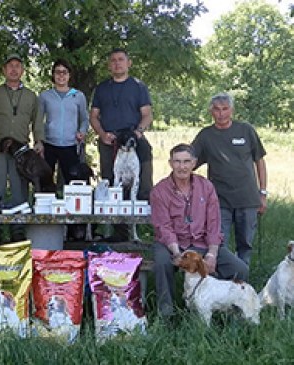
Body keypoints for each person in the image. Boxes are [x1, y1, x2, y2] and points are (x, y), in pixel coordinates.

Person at [151, 143, 249, 319]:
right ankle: (166, 315)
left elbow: (214, 223)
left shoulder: (206, 187)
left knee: (239, 268)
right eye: (177, 162)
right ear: (170, 163)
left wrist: (212, 254)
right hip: (171, 243)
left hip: (201, 243)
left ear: (194, 163)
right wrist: (176, 253)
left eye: (186, 161)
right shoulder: (160, 190)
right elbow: (163, 226)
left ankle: (224, 310)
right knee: (162, 263)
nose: (182, 166)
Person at [192, 93, 267, 265]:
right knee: (219, 244)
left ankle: (243, 283)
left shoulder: (246, 130)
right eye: (217, 109)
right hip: (219, 201)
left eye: (225, 109)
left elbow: (260, 161)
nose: (221, 114)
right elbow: (190, 162)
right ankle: (223, 283)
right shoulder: (206, 135)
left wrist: (262, 193)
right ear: (211, 111)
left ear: (232, 110)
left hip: (248, 198)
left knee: (246, 245)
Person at [0, 53, 44, 241]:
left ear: (22, 70)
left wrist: (39, 141)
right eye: (10, 66)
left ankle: (18, 228)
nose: (14, 69)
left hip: (20, 149)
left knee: (20, 188)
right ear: (4, 70)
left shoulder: (31, 96)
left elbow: (37, 122)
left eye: (17, 65)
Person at [90, 48, 153, 240]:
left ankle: (140, 228)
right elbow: (93, 116)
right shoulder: (101, 88)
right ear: (109, 65)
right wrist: (101, 134)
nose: (117, 63)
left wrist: (138, 131)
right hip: (110, 140)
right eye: (113, 61)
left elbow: (147, 114)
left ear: (129, 63)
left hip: (133, 137)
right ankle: (118, 233)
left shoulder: (138, 86)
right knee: (111, 183)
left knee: (143, 183)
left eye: (121, 60)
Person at [39, 58, 89, 240]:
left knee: (74, 187)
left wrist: (82, 132)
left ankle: (75, 227)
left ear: (69, 75)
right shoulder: (45, 96)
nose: (61, 75)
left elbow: (84, 118)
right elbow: (38, 120)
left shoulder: (78, 96)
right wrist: (39, 140)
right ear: (53, 75)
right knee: (46, 185)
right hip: (49, 145)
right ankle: (47, 225)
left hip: (70, 145)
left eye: (64, 72)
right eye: (58, 71)